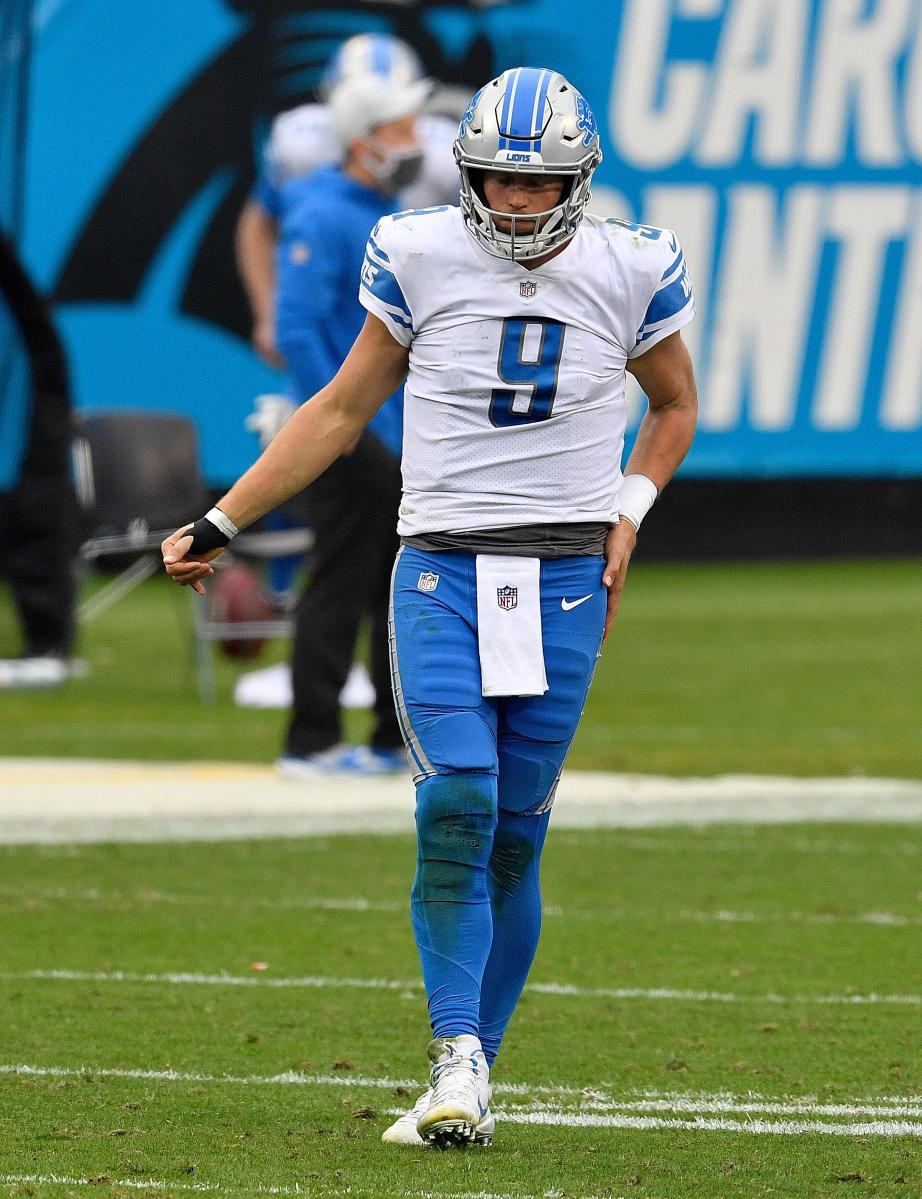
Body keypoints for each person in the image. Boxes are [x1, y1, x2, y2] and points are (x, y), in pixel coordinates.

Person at [163, 66, 697, 1147]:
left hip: (565, 576)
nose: (512, 201)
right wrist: (220, 519)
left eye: (535, 184)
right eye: (496, 178)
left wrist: (631, 506)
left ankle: (476, 1067)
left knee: (514, 834)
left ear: (578, 182)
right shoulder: (417, 251)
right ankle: (455, 1058)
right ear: (468, 173)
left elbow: (676, 402)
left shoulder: (632, 265)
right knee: (455, 806)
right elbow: (342, 406)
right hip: (445, 567)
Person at [269, 71, 429, 777]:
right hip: (354, 435)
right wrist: (338, 430)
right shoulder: (323, 213)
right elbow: (297, 329)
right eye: (400, 129)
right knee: (339, 582)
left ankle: (392, 737)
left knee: (394, 587)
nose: (415, 142)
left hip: (393, 432)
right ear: (362, 140)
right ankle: (312, 739)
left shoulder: (374, 208)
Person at [235, 32, 460, 370]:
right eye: (391, 126)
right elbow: (258, 223)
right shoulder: (304, 157)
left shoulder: (444, 155)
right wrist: (267, 311)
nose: (410, 140)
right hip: (334, 316)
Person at [0, 233, 77, 687]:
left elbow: (42, 337)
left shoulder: (36, 362)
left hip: (35, 457)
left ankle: (49, 643)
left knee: (37, 523)